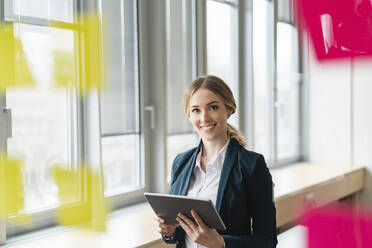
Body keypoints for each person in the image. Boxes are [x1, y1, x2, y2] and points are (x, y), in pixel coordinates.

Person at [156, 75, 277, 248]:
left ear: (229, 109)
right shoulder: (181, 163)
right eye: (196, 110)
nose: (204, 118)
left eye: (213, 107)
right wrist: (170, 231)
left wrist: (221, 243)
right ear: (189, 115)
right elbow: (178, 235)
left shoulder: (252, 165)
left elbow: (267, 241)